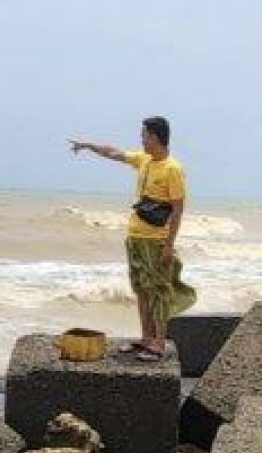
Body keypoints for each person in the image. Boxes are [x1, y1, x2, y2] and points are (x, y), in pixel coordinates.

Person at [69, 117, 196, 360]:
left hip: (156, 240)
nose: (141, 139)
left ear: (155, 137)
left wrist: (169, 245)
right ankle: (146, 338)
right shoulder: (144, 160)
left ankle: (158, 344)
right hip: (135, 236)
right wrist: (87, 146)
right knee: (141, 290)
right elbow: (113, 153)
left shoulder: (173, 169)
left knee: (159, 290)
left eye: (144, 135)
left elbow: (178, 209)